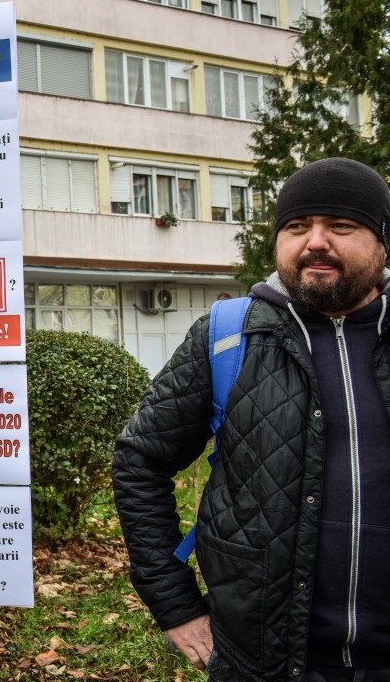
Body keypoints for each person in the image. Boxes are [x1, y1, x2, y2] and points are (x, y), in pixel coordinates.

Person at [114, 157, 390, 682]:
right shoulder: (229, 335)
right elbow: (140, 460)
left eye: (341, 226)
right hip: (261, 664)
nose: (315, 241)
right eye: (296, 227)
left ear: (381, 241)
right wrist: (176, 605)